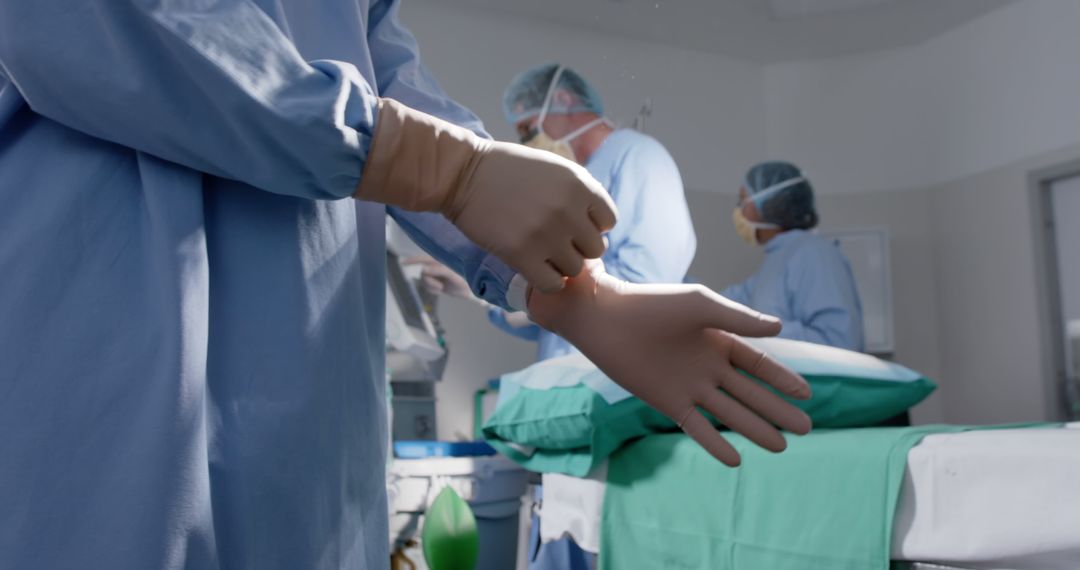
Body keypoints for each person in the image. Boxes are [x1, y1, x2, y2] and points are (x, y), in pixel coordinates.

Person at [0, 2, 812, 569]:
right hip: (106, 337)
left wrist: (577, 293)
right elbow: (118, 24)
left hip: (310, 414)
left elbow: (388, 84)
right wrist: (441, 169)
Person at [488, 63, 698, 362]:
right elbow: (551, 323)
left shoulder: (638, 156)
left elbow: (648, 285)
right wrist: (495, 294)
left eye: (528, 129)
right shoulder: (573, 182)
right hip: (568, 371)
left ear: (563, 100)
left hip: (617, 373)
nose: (527, 143)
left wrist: (545, 296)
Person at [723, 161, 865, 351]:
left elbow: (839, 341)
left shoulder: (813, 254)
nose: (739, 211)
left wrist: (760, 333)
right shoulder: (776, 259)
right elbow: (730, 304)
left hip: (819, 381)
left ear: (770, 204)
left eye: (743, 201)